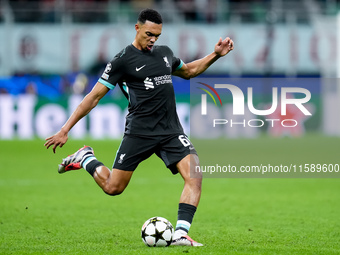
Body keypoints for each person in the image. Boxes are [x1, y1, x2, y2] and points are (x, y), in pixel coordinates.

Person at [44, 8, 234, 246]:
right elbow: (93, 97)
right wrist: (65, 129)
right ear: (137, 28)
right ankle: (85, 158)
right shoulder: (122, 60)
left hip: (170, 131)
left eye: (157, 35)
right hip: (139, 132)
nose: (153, 39)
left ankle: (181, 233)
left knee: (194, 176)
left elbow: (190, 71)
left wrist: (215, 55)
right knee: (113, 187)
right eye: (148, 33)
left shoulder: (165, 54)